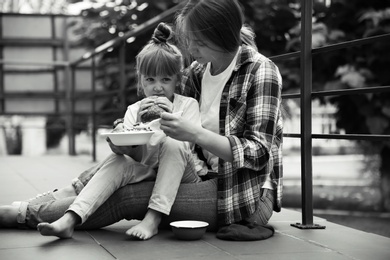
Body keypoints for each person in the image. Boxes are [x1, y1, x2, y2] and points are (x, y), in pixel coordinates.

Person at [0, 0, 283, 240]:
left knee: (128, 197)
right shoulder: (198, 72)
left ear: (221, 36)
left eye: (197, 41)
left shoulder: (261, 71)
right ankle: (40, 203)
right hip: (196, 174)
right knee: (120, 163)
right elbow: (162, 127)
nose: (190, 49)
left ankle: (22, 215)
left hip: (243, 191)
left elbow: (259, 154)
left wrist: (193, 133)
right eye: (189, 40)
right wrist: (126, 132)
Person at [0, 22, 206, 240]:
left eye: (166, 79)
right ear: (141, 81)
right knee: (118, 162)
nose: (158, 87)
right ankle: (70, 219)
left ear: (176, 80)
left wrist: (169, 114)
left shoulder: (187, 105)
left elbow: (187, 144)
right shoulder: (134, 111)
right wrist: (128, 133)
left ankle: (153, 219)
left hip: (183, 172)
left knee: (173, 144)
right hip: (146, 171)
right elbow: (127, 153)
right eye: (150, 80)